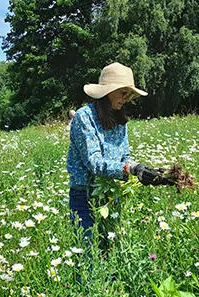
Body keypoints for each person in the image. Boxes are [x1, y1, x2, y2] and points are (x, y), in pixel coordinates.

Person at [67, 62, 169, 244]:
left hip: (112, 196)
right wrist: (131, 169)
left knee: (110, 253)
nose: (127, 98)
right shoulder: (84, 117)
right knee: (88, 256)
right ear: (107, 91)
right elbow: (95, 163)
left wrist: (143, 172)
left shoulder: (120, 121)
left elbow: (125, 157)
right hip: (84, 197)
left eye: (130, 94)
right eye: (123, 92)